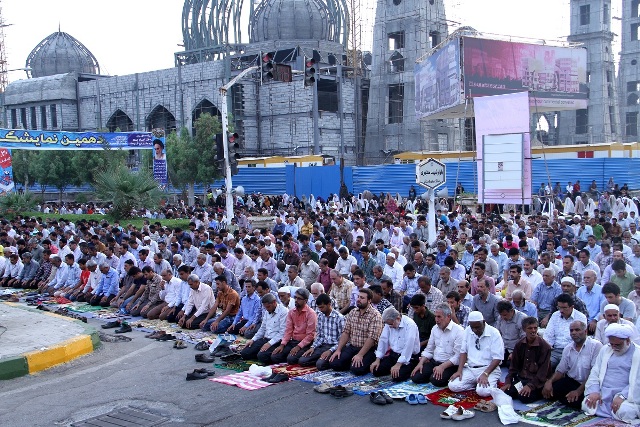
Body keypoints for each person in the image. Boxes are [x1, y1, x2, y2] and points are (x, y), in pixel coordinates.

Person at [583, 323, 640, 423]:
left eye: (618, 345)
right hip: (603, 393)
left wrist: (622, 396)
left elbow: (637, 381)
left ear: (628, 341)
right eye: (612, 344)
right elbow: (595, 371)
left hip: (626, 394)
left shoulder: (637, 353)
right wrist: (594, 391)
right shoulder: (606, 349)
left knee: (625, 411)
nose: (614, 347)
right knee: (587, 404)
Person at [543, 320, 603, 409]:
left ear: (585, 331)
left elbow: (593, 374)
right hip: (572, 381)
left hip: (589, 383)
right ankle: (569, 398)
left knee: (579, 402)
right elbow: (561, 370)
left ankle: (571, 399)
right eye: (571, 330)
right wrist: (549, 382)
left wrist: (578, 391)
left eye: (577, 330)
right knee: (550, 390)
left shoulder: (596, 346)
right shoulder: (568, 348)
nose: (574, 333)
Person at [328, 288, 383, 375]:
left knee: (357, 370)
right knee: (334, 363)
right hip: (352, 346)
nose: (358, 299)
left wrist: (360, 355)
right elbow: (346, 332)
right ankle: (351, 361)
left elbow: (371, 339)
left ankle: (357, 362)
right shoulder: (353, 312)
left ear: (369, 300)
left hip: (368, 349)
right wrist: (338, 349)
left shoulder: (375, 315)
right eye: (358, 297)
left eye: (362, 298)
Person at [448, 311, 504, 397]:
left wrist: (485, 374)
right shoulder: (467, 330)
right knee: (452, 385)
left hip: (488, 370)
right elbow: (463, 352)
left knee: (483, 392)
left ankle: (490, 383)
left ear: (484, 322)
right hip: (471, 369)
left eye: (477, 327)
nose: (475, 330)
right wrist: (459, 370)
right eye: (472, 327)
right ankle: (476, 384)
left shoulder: (494, 333)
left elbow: (497, 358)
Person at [411, 303, 464, 387]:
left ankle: (435, 375)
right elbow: (429, 350)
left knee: (435, 380)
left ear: (448, 316)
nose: (436, 319)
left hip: (449, 365)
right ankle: (432, 373)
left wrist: (442, 366)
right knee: (415, 377)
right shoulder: (435, 328)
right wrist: (420, 363)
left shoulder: (458, 331)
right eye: (435, 316)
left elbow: (458, 356)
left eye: (439, 317)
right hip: (434, 362)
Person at [501, 316, 551, 403]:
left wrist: (530, 386)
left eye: (535, 328)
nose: (533, 331)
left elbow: (543, 372)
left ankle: (539, 393)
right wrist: (508, 381)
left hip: (536, 382)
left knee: (523, 397)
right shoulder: (519, 344)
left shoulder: (545, 346)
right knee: (506, 392)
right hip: (521, 380)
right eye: (530, 328)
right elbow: (513, 366)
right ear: (524, 329)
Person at [370, 307, 420, 382]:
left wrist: (398, 364)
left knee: (397, 376)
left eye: (391, 324)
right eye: (389, 324)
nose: (391, 326)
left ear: (398, 318)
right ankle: (392, 368)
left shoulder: (410, 325)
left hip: (409, 357)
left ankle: (409, 368)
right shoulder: (389, 323)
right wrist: (378, 359)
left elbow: (408, 346)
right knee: (376, 370)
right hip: (394, 355)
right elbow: (383, 340)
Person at [271, 288, 317, 364]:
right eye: (295, 297)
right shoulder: (291, 312)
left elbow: (311, 335)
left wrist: (298, 347)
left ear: (305, 301)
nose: (296, 300)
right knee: (275, 356)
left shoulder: (311, 314)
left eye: (299, 298)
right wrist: (282, 344)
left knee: (291, 359)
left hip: (305, 343)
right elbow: (288, 330)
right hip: (293, 341)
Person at [300, 293, 345, 369]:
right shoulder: (321, 316)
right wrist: (313, 347)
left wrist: (330, 350)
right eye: (319, 308)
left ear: (329, 304)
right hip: (323, 345)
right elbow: (320, 335)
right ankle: (321, 358)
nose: (320, 310)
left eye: (322, 307)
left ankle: (324, 359)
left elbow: (342, 341)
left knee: (320, 365)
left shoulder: (339, 318)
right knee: (302, 360)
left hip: (335, 347)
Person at [241, 293, 289, 364]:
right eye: (265, 307)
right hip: (266, 339)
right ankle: (259, 352)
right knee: (245, 352)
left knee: (262, 356)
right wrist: (253, 339)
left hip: (277, 341)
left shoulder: (284, 311)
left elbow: (282, 333)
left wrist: (269, 344)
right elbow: (262, 329)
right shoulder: (267, 311)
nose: (267, 309)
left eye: (268, 307)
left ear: (274, 302)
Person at [544, 293, 588, 368]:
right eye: (559, 307)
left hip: (572, 351)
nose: (561, 310)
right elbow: (548, 335)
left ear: (572, 307)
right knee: (545, 366)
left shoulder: (581, 317)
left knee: (562, 369)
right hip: (555, 350)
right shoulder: (555, 315)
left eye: (564, 308)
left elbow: (581, 338)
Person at [495, 300, 527, 365]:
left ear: (512, 311)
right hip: (503, 348)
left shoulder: (522, 318)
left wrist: (515, 352)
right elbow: (497, 334)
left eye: (505, 315)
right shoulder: (500, 318)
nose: (503, 317)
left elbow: (524, 339)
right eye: (501, 315)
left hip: (516, 349)